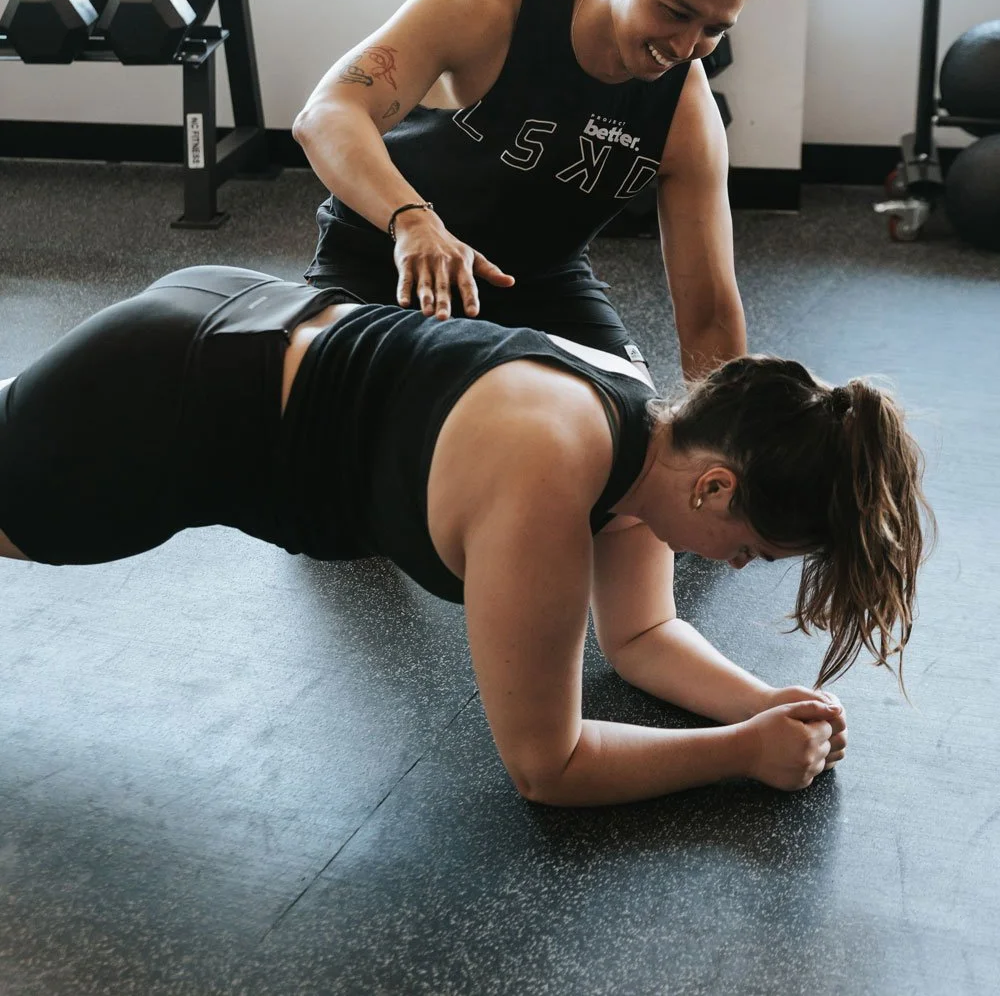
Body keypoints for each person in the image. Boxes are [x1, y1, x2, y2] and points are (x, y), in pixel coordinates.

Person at [0, 266, 932, 808]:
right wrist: (738, 756)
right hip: (167, 398)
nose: (731, 566)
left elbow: (642, 638)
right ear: (719, 484)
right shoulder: (547, 472)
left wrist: (760, 705)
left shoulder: (651, 443)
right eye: (750, 549)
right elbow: (547, 764)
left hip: (238, 315)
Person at [293, 0, 771, 380]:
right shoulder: (487, 5)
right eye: (676, 12)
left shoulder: (685, 111)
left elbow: (710, 314)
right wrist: (413, 221)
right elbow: (327, 113)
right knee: (353, 405)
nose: (685, 45)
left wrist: (725, 440)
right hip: (388, 258)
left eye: (715, 29)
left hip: (541, 283)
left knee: (628, 416)